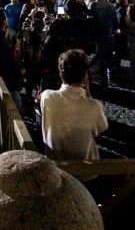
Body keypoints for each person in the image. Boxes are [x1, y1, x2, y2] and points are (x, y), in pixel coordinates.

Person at [39, 48, 108, 191]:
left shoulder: (47, 97)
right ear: (85, 76)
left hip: (57, 172)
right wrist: (88, 95)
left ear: (61, 74)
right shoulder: (92, 106)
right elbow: (102, 127)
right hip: (86, 174)